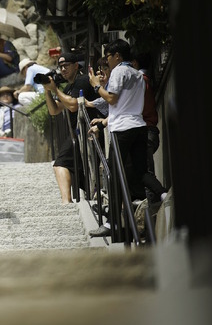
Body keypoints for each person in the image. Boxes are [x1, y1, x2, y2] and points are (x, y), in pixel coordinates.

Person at [88, 39, 168, 237]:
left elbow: (112, 99)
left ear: (117, 56)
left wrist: (97, 86)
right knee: (140, 172)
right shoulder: (137, 74)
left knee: (113, 174)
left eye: (108, 56)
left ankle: (112, 224)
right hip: (139, 126)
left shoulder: (119, 71)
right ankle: (164, 195)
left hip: (122, 129)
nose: (107, 61)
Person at [42, 52, 102, 204]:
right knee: (80, 172)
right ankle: (70, 200)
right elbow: (54, 110)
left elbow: (74, 105)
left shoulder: (82, 81)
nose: (63, 69)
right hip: (79, 132)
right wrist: (47, 90)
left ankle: (66, 202)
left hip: (87, 130)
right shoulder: (69, 87)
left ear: (76, 66)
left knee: (61, 164)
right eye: (60, 67)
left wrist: (56, 90)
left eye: (66, 66)